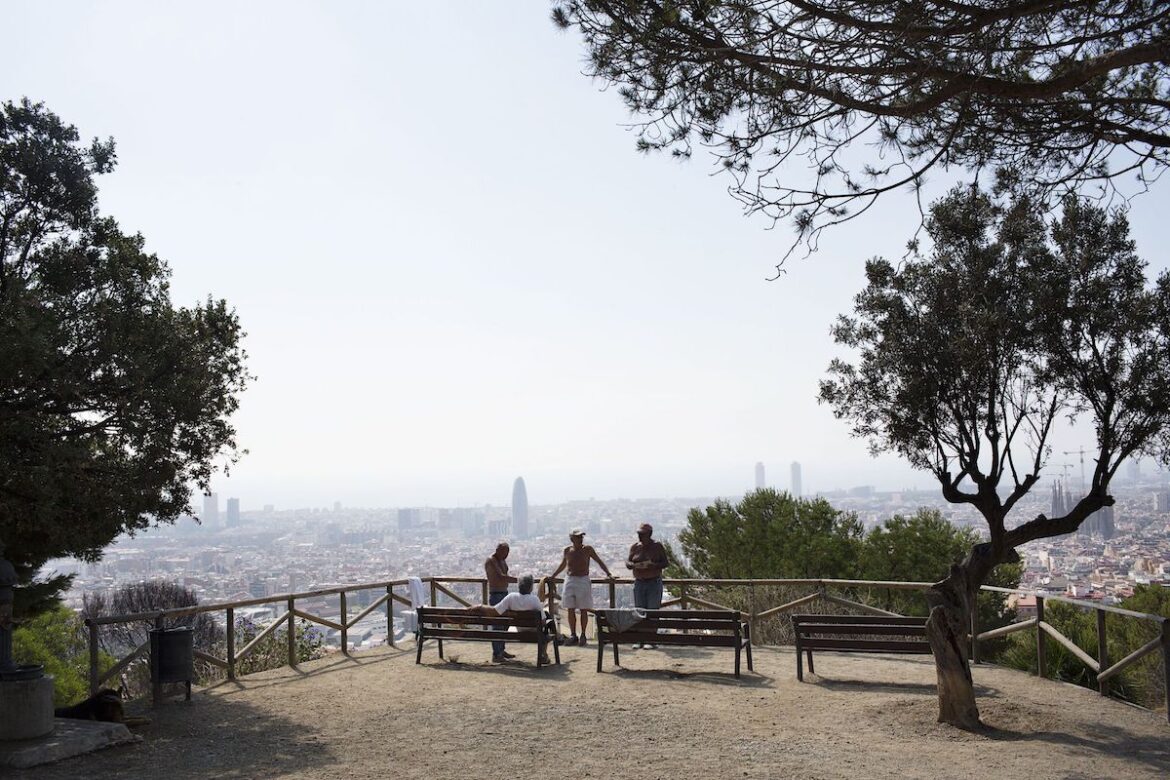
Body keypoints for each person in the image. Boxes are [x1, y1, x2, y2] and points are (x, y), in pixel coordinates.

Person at [466, 574, 551, 664]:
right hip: (535, 633)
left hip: (520, 630)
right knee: (546, 626)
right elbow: (543, 621)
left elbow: (495, 611)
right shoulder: (534, 600)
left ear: (519, 586)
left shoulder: (511, 597)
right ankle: (543, 655)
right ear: (531, 587)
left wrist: (480, 606)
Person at [549, 528, 614, 646]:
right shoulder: (567, 550)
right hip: (569, 579)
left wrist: (608, 573)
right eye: (578, 537)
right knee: (570, 608)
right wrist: (553, 575)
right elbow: (564, 564)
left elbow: (599, 561)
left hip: (583, 579)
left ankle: (583, 634)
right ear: (572, 538)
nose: (580, 538)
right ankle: (573, 635)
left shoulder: (587, 549)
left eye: (581, 537)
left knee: (584, 609)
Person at [626, 522, 669, 649]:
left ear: (649, 534)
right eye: (639, 534)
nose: (640, 536)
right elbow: (628, 561)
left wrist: (653, 565)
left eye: (642, 534)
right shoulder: (635, 547)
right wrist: (632, 565)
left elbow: (665, 562)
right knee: (639, 611)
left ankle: (651, 639)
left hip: (653, 582)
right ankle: (640, 639)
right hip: (639, 582)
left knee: (652, 611)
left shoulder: (657, 546)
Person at [485, 541, 517, 661]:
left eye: (508, 552)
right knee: (497, 624)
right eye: (505, 552)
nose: (507, 555)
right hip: (496, 594)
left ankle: (501, 650)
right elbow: (501, 576)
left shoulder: (502, 560)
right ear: (498, 550)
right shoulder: (491, 560)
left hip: (504, 593)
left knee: (505, 623)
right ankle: (496, 654)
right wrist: (519, 580)